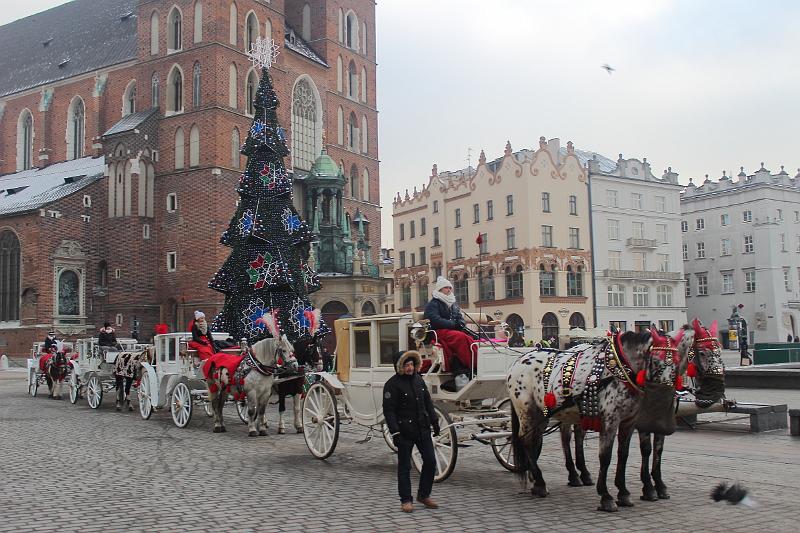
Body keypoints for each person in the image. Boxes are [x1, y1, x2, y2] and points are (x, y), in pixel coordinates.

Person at [382, 350, 440, 513]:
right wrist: (395, 432)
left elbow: (428, 402)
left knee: (430, 462)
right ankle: (406, 500)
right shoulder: (392, 385)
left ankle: (424, 494)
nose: (410, 368)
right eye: (406, 365)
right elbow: (389, 411)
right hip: (404, 431)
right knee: (405, 467)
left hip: (422, 428)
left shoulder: (419, 380)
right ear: (399, 366)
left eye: (412, 365)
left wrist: (434, 421)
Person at [423, 276, 476, 381]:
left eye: (450, 287)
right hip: (438, 331)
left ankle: (473, 362)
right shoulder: (433, 304)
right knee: (460, 337)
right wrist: (452, 324)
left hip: (451, 331)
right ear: (440, 289)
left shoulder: (453, 304)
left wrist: (460, 324)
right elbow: (434, 319)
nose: (449, 290)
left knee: (471, 338)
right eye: (446, 287)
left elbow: (459, 318)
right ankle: (471, 364)